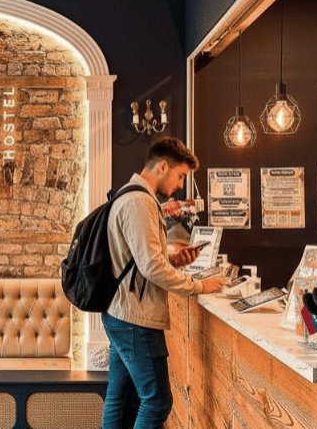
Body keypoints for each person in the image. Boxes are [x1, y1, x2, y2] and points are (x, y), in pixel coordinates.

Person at [102, 136, 225, 429]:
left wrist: (172, 257)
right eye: (181, 175)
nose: (180, 185)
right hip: (136, 318)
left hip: (121, 313)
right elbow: (150, 266)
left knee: (118, 399)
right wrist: (197, 286)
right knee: (157, 401)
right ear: (163, 166)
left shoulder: (128, 195)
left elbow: (140, 258)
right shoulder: (139, 201)